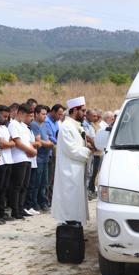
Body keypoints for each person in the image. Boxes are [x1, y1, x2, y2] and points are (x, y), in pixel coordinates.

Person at [52, 96, 92, 226]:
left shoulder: (75, 126)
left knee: (76, 200)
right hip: (69, 170)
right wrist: (88, 151)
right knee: (70, 201)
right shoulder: (66, 127)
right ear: (75, 110)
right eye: (83, 111)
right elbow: (72, 150)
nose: (85, 114)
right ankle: (70, 226)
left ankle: (75, 226)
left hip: (77, 169)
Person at [8, 104, 37, 220]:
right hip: (18, 158)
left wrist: (32, 151)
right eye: (24, 114)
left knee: (25, 185)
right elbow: (18, 142)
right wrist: (30, 150)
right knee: (17, 185)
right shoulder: (13, 124)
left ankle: (21, 207)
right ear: (19, 113)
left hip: (27, 158)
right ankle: (15, 210)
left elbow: (29, 141)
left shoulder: (24, 126)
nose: (25, 117)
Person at [26, 105, 54, 212]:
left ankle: (43, 202)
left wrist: (50, 143)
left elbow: (49, 138)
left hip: (46, 157)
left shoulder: (45, 125)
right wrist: (49, 144)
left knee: (44, 182)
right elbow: (39, 141)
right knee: (36, 182)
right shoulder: (34, 125)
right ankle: (34, 203)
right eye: (42, 114)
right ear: (36, 114)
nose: (45, 116)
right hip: (38, 158)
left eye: (46, 114)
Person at [0, 105, 14, 222]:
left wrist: (9, 143)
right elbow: (1, 144)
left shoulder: (5, 128)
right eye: (3, 116)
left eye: (7, 116)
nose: (5, 119)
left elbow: (11, 141)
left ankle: (2, 211)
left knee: (5, 188)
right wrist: (9, 143)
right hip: (0, 161)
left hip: (8, 160)